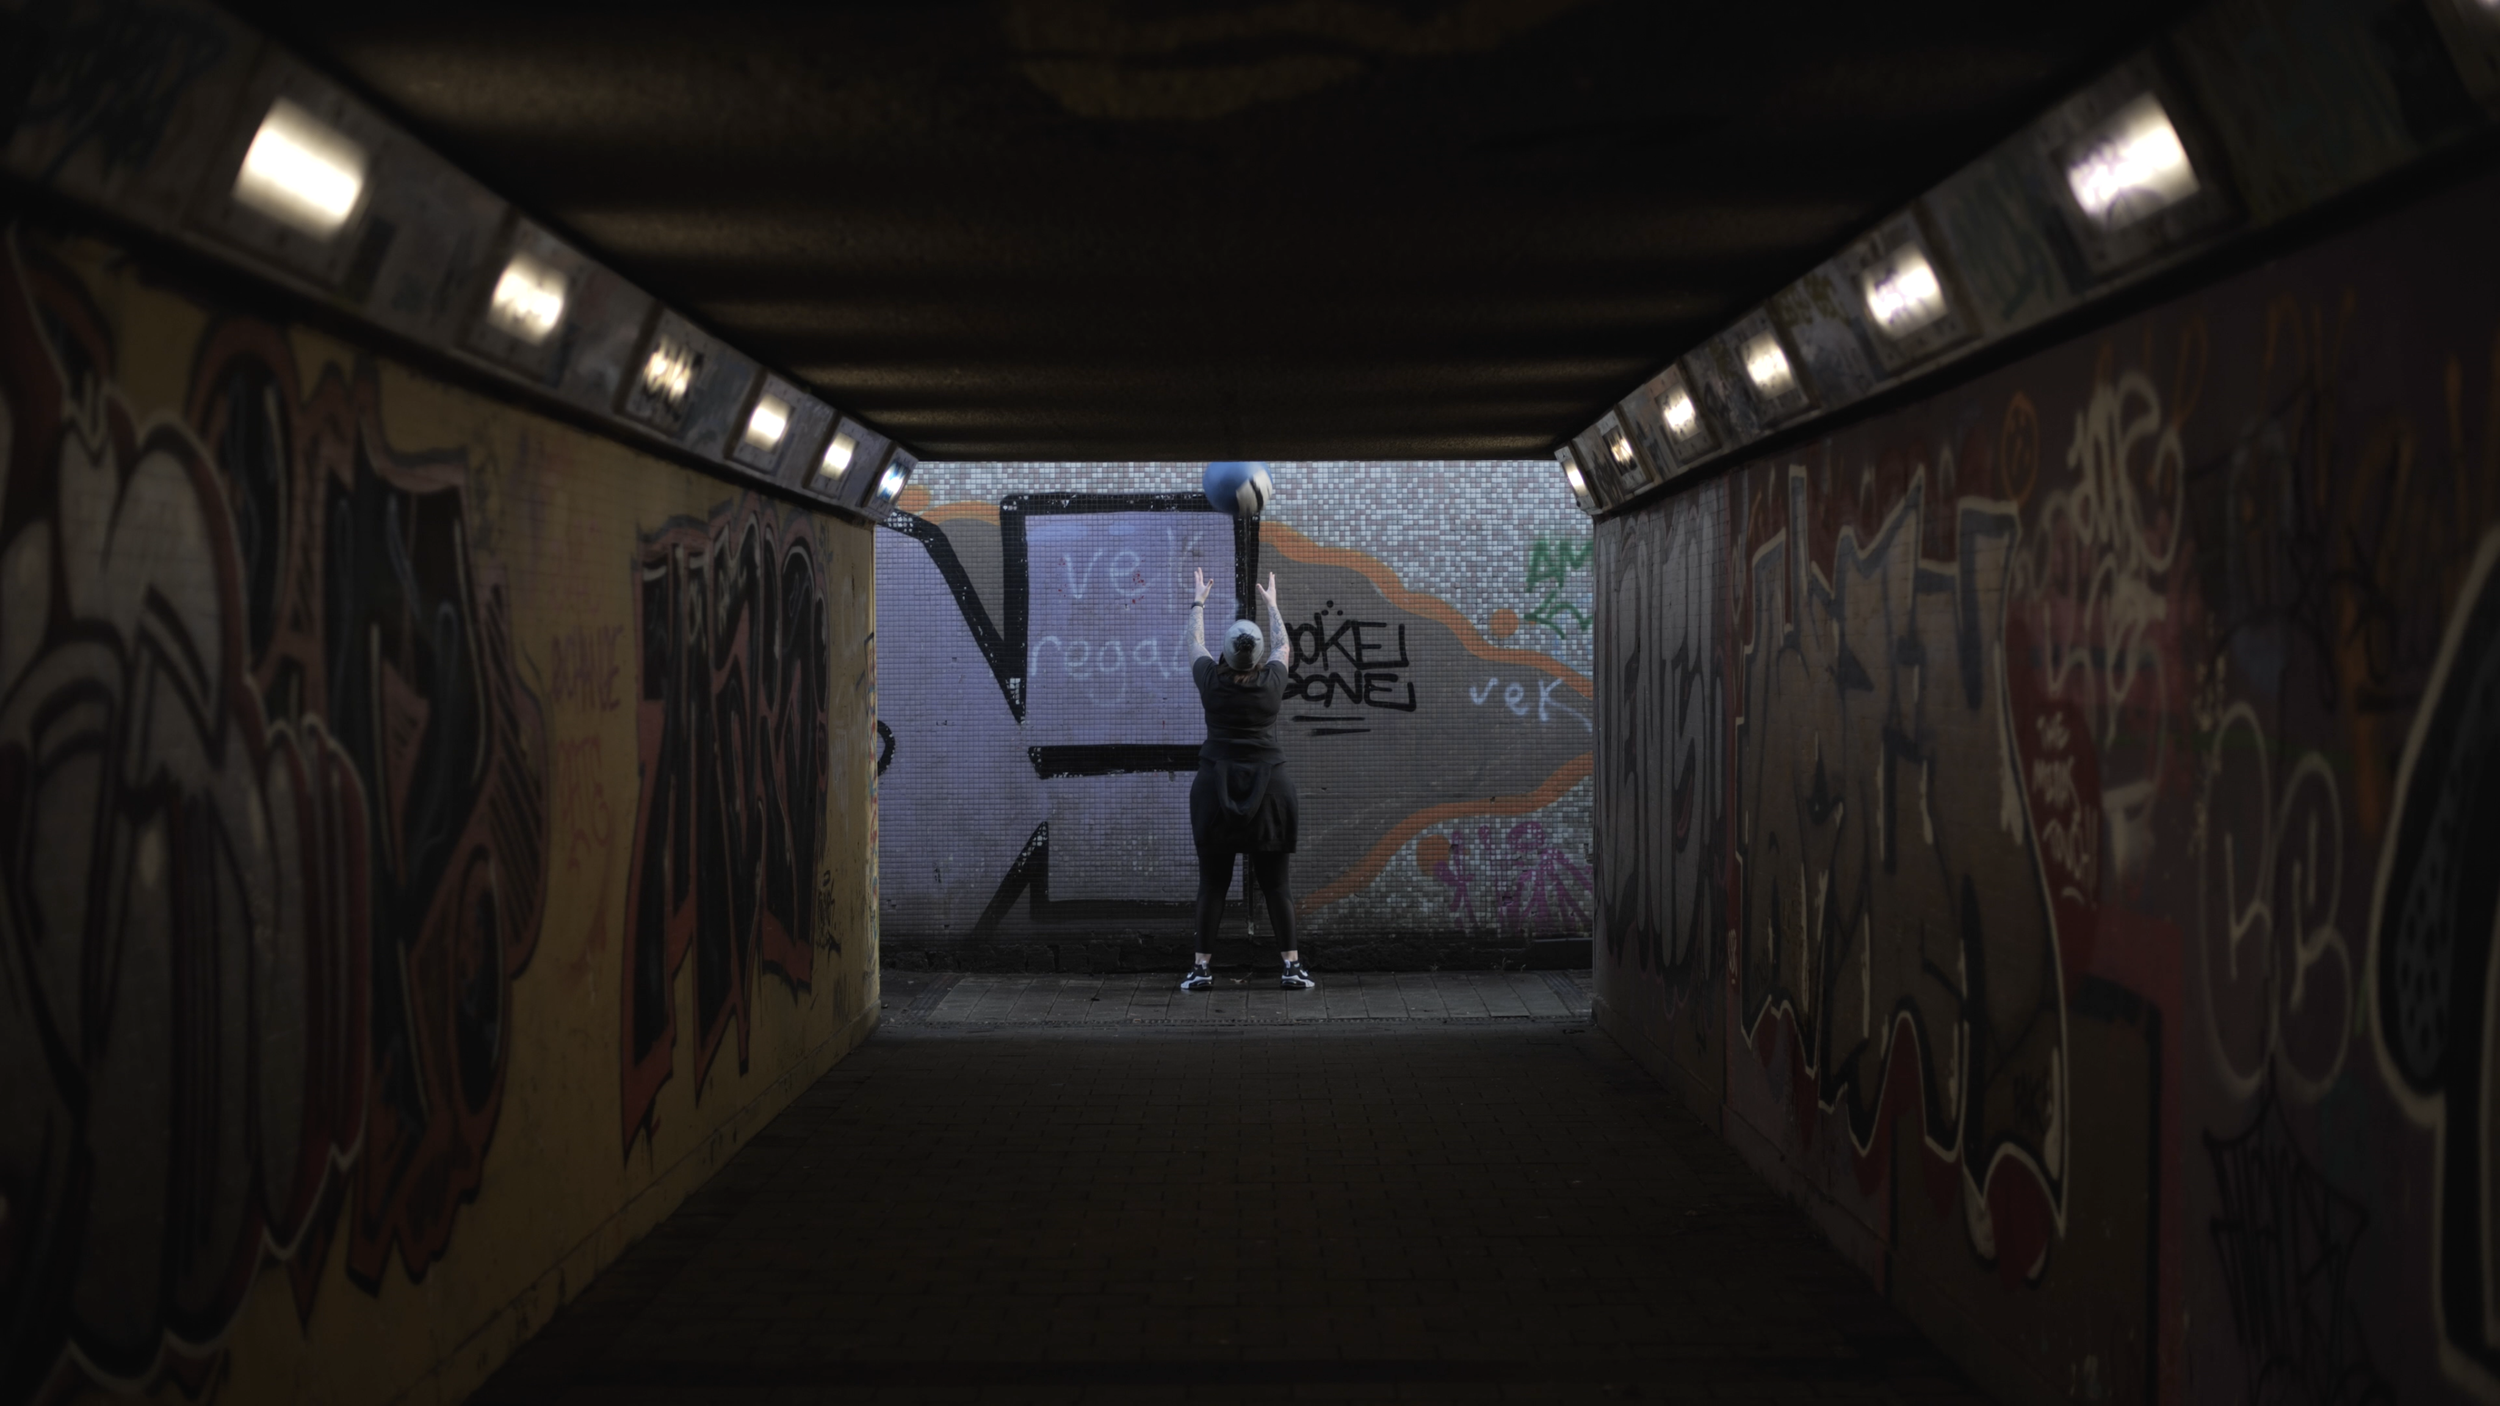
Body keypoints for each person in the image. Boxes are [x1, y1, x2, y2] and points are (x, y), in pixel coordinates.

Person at [1180, 568, 1313, 991]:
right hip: (1270, 791)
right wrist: (1272, 604)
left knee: (1212, 885)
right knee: (1277, 886)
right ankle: (1291, 968)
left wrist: (1198, 601)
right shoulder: (1272, 685)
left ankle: (1201, 970)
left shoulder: (1210, 682)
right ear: (1257, 658)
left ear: (1224, 653)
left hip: (1215, 790)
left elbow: (1193, 643)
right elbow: (1284, 646)